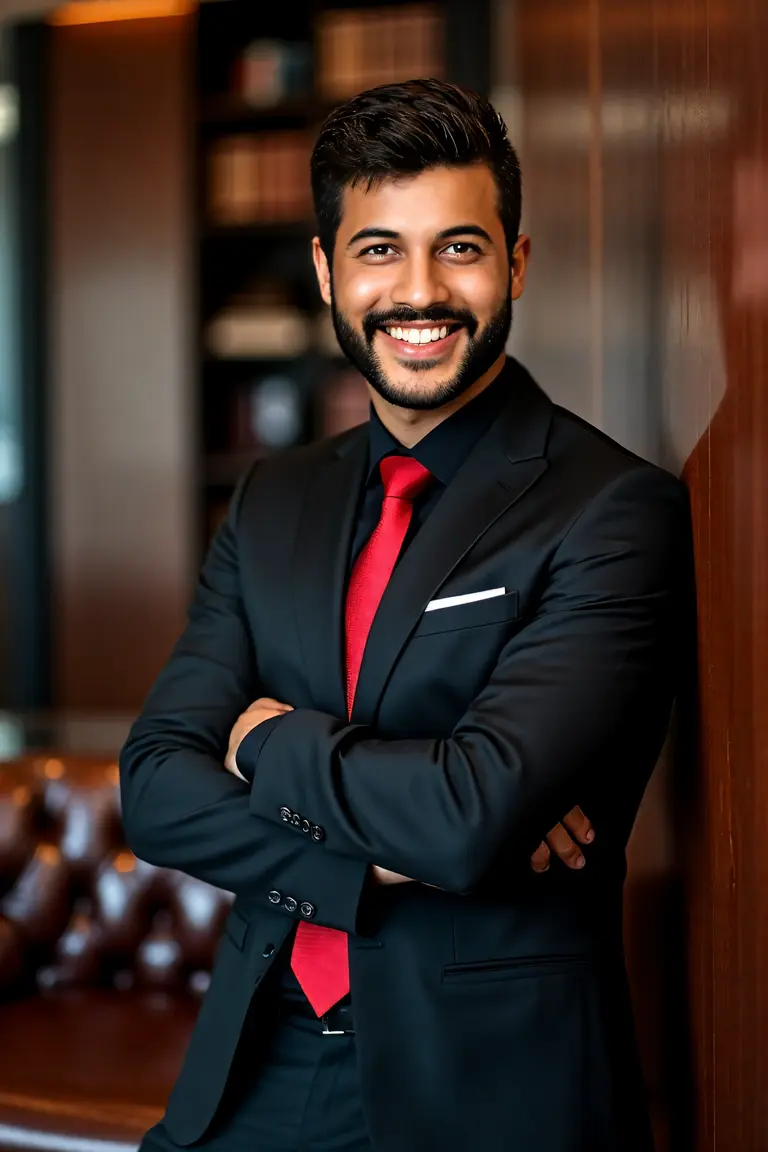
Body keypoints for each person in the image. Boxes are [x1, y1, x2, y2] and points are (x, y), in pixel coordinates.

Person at [120, 78, 692, 1152]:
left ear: (515, 263)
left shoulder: (614, 510)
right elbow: (154, 785)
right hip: (256, 1055)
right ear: (329, 270)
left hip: (483, 1086)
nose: (418, 291)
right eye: (380, 249)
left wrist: (265, 740)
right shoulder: (272, 496)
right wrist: (382, 850)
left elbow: (471, 815)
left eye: (459, 248)